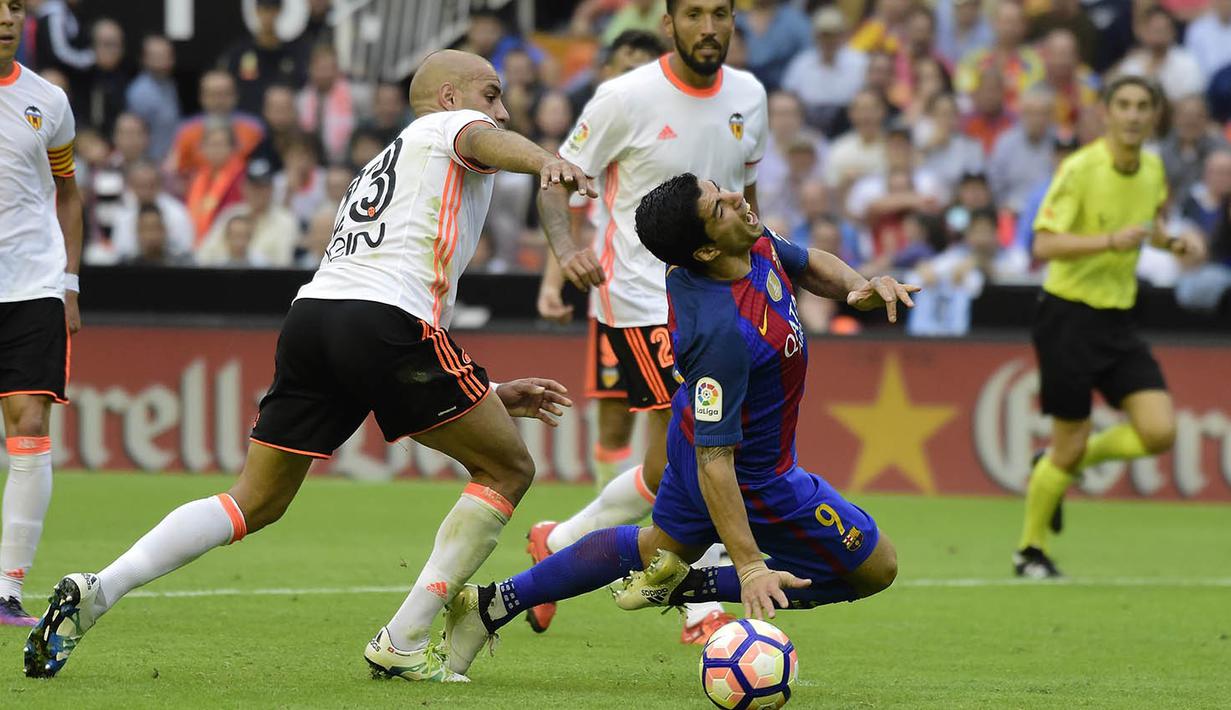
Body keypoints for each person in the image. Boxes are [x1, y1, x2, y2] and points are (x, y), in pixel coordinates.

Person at [23, 49, 599, 681]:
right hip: (385, 319)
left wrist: (488, 391)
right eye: (491, 95)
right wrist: (545, 155)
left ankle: (98, 588)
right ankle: (405, 639)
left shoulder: (397, 159)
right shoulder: (445, 130)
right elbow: (489, 144)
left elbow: (384, 326)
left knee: (257, 498)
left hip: (315, 317)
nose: (503, 109)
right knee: (508, 466)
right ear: (449, 98)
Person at [436, 174, 913, 682]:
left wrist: (856, 286)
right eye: (719, 207)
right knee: (876, 567)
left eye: (722, 191)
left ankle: (488, 606)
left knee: (653, 551)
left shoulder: (744, 240)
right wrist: (749, 565)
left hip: (694, 438)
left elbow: (805, 261)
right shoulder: (721, 334)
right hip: (752, 477)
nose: (737, 199)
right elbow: (717, 461)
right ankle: (690, 587)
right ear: (706, 251)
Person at [528, 0, 768, 646]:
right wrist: (563, 252)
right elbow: (554, 181)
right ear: (669, 24)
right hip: (638, 301)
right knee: (708, 453)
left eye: (720, 12)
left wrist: (763, 279)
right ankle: (704, 609)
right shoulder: (623, 97)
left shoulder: (750, 94)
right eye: (694, 14)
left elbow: (748, 202)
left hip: (718, 304)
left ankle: (556, 541)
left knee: (668, 471)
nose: (709, 27)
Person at [1014, 76, 1206, 578]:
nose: (1134, 114)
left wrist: (1174, 244)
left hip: (1118, 319)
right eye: (1123, 105)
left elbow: (1148, 227)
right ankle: (1030, 550)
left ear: (1155, 115)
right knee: (1071, 442)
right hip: (1067, 316)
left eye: (1144, 105)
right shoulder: (1080, 169)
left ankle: (1055, 465)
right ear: (1106, 113)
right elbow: (1043, 245)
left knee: (1160, 431)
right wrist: (1109, 241)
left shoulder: (1153, 169)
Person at [0, 0, 84, 626]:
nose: (6, 16)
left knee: (28, 422)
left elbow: (69, 192)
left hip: (33, 284)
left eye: (15, 6)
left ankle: (5, 590)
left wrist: (70, 283)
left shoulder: (48, 100)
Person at [218, 0, 307, 115]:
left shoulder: (292, 54)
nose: (268, 17)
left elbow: (299, 87)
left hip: (280, 119)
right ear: (256, 12)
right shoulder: (240, 52)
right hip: (247, 118)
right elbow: (229, 84)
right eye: (264, 10)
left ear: (280, 12)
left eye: (272, 11)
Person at [124, 34, 181, 162]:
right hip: (150, 163)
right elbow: (135, 136)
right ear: (144, 59)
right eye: (156, 56)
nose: (162, 60)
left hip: (170, 159)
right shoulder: (140, 92)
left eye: (166, 55)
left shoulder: (169, 84)